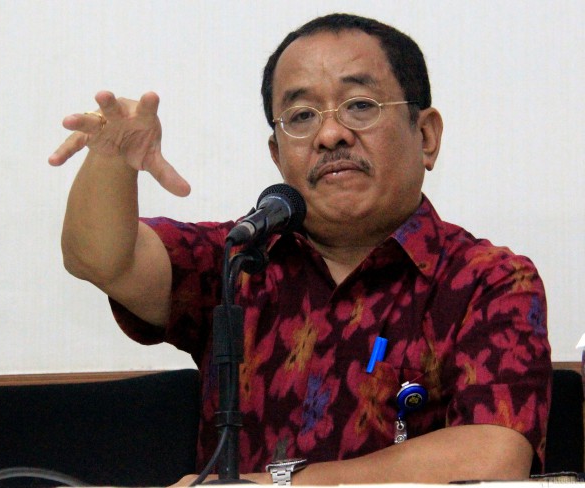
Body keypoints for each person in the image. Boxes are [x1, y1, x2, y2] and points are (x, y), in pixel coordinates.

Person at [49, 13, 552, 485]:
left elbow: (493, 457)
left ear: (425, 136)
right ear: (277, 154)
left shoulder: (488, 281)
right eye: (302, 115)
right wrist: (112, 159)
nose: (330, 135)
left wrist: (271, 484)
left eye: (360, 105)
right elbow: (100, 258)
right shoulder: (240, 259)